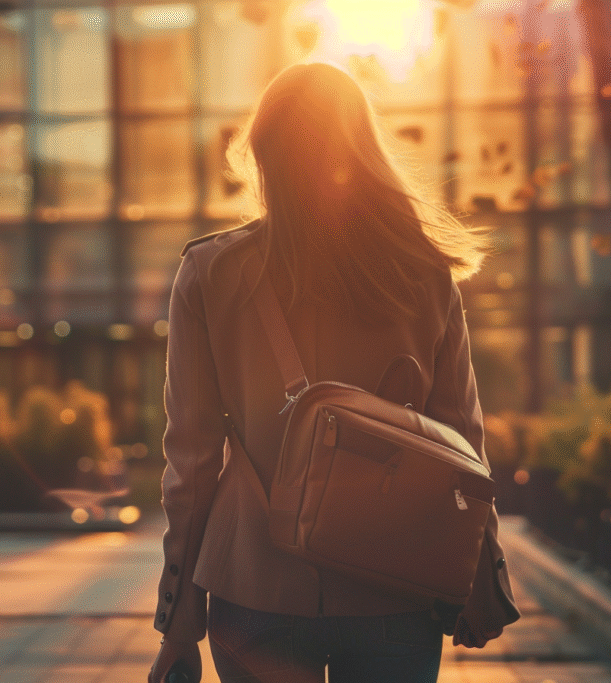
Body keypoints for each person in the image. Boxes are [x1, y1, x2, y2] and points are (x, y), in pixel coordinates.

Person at [149, 62, 520, 683]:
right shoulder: (422, 270)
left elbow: (190, 464)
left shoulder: (211, 274)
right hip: (394, 586)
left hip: (255, 586)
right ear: (361, 148)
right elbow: (462, 442)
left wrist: (179, 619)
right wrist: (482, 577)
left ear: (263, 156)